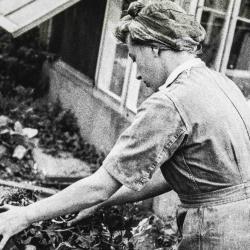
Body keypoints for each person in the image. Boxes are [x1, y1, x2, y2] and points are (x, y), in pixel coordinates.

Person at [0, 1, 250, 249]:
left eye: (134, 58)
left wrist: (23, 215)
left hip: (216, 232)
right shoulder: (220, 83)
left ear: (154, 47)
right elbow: (183, 175)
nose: (138, 74)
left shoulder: (169, 103)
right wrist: (102, 203)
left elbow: (99, 186)